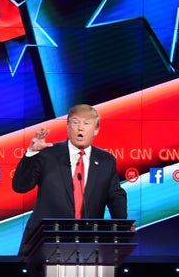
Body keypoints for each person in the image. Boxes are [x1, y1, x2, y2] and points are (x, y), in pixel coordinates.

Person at [12, 103, 128, 246]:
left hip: (87, 241)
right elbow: (20, 186)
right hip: (45, 239)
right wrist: (31, 153)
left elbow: (115, 196)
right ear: (67, 127)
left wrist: (122, 227)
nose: (80, 128)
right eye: (75, 122)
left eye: (86, 123)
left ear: (96, 130)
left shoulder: (106, 161)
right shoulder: (48, 154)